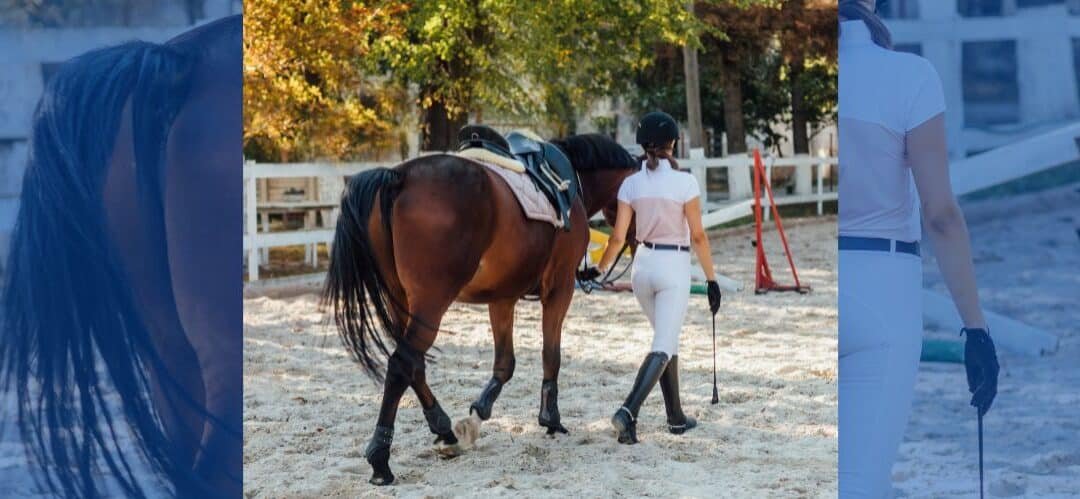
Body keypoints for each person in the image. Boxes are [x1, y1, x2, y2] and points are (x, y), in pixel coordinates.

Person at [837, 1, 1000, 496]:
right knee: (862, 480)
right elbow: (942, 216)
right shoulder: (909, 74)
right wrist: (976, 329)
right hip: (881, 285)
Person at [579, 111, 722, 444]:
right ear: (673, 143)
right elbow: (698, 236)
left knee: (666, 339)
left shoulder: (631, 184)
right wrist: (712, 279)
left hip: (641, 267)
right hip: (673, 266)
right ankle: (628, 412)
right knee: (664, 342)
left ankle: (675, 417)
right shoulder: (685, 182)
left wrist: (598, 270)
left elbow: (617, 238)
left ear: (643, 145)